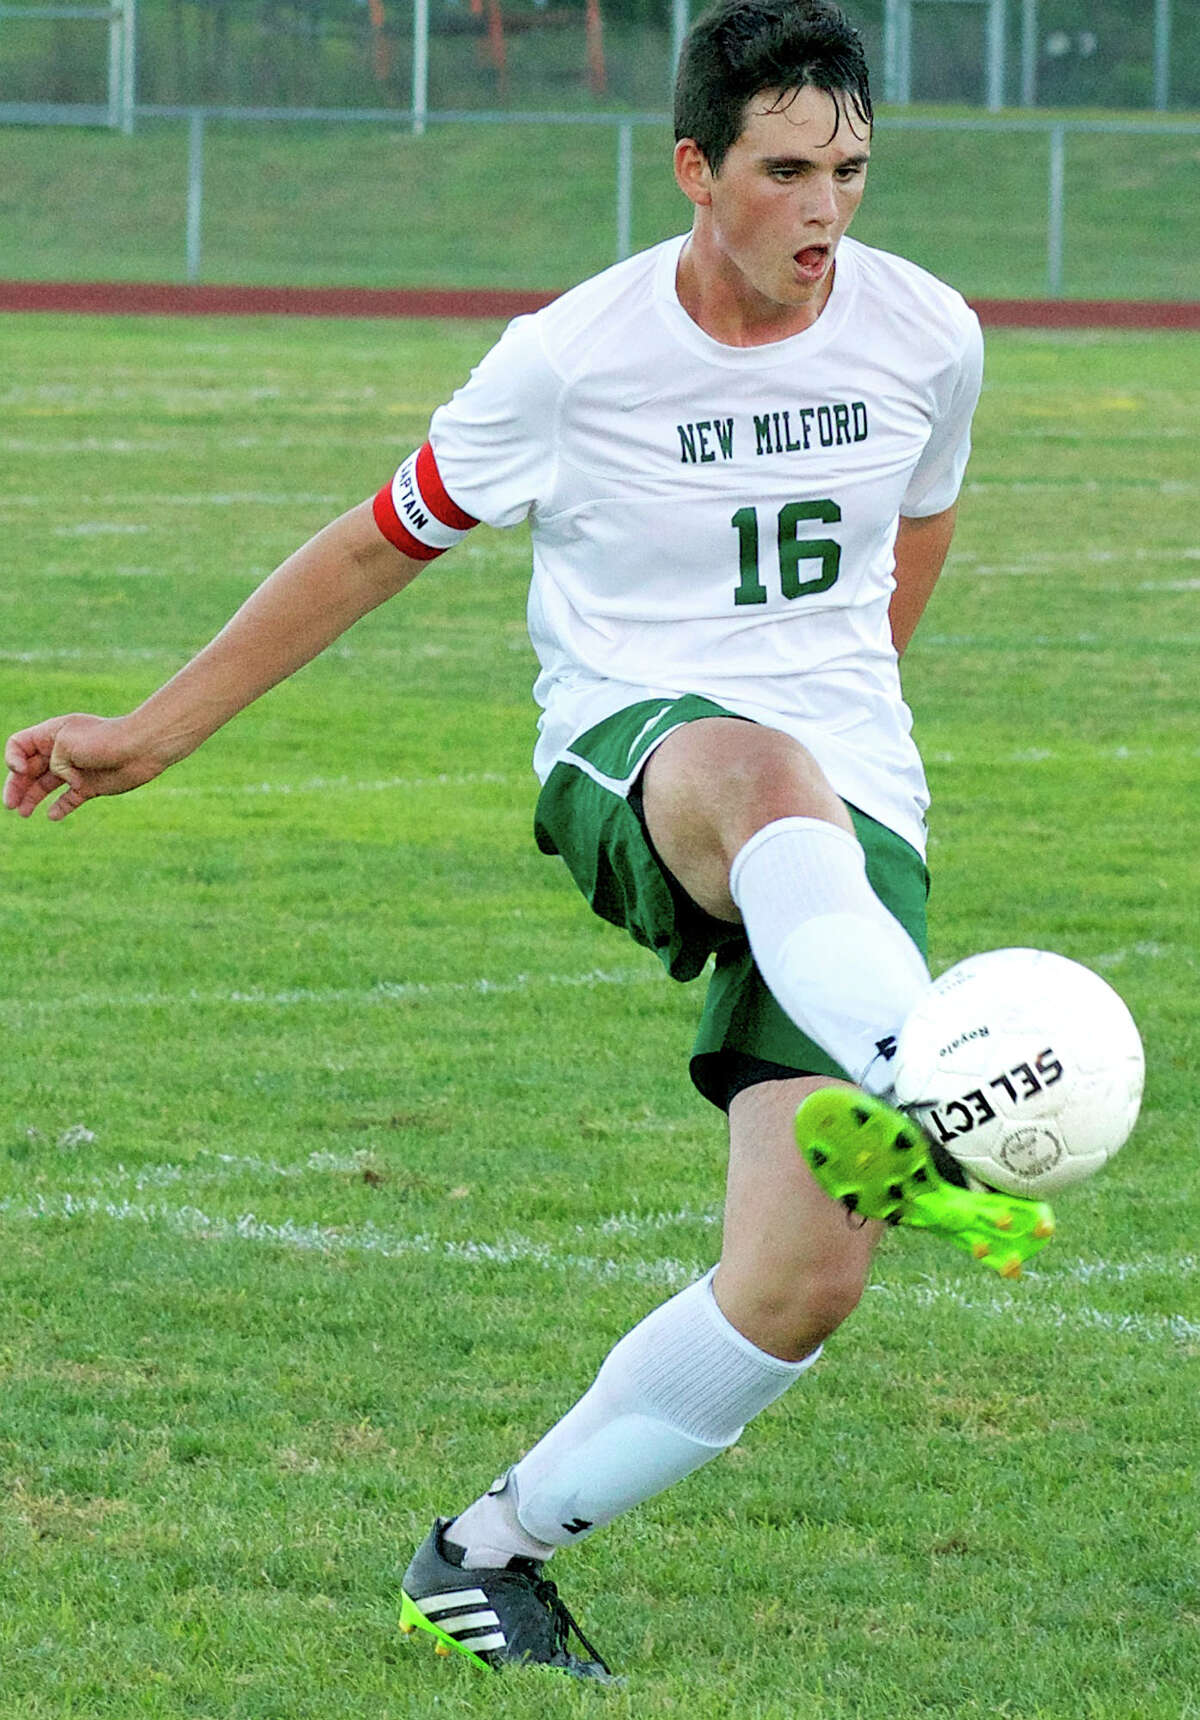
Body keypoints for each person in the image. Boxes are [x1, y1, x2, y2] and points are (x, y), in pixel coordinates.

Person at [3, 0, 1055, 1680]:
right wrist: (149, 732)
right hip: (636, 756)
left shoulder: (931, 334)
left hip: (844, 815)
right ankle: (935, 1089)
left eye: (851, 170)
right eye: (786, 170)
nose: (825, 211)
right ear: (695, 169)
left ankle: (483, 1555)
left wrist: (856, 740)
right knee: (763, 771)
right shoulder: (574, 356)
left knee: (800, 1283)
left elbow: (907, 544)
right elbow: (373, 545)